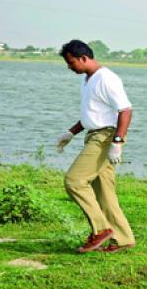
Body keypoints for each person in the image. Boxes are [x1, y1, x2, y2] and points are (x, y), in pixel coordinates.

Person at [55, 39, 135, 253]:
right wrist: (71, 133)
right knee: (105, 192)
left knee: (74, 181)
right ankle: (123, 238)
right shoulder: (88, 79)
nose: (69, 67)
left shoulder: (106, 79)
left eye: (71, 62)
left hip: (104, 137)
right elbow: (94, 114)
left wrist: (117, 142)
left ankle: (100, 230)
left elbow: (125, 110)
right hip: (94, 134)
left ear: (84, 58)